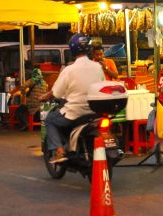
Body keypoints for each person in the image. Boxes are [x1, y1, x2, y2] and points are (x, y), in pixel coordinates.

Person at [45, 34, 105, 163]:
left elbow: (55, 93)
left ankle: (59, 151)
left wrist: (43, 97)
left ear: (72, 50)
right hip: (94, 111)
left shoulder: (69, 70)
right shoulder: (98, 67)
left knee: (50, 119)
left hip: (75, 112)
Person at [15, 60, 47, 129]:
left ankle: (25, 123)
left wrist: (23, 94)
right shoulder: (44, 82)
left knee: (19, 110)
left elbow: (23, 87)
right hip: (42, 103)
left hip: (32, 103)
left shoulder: (33, 80)